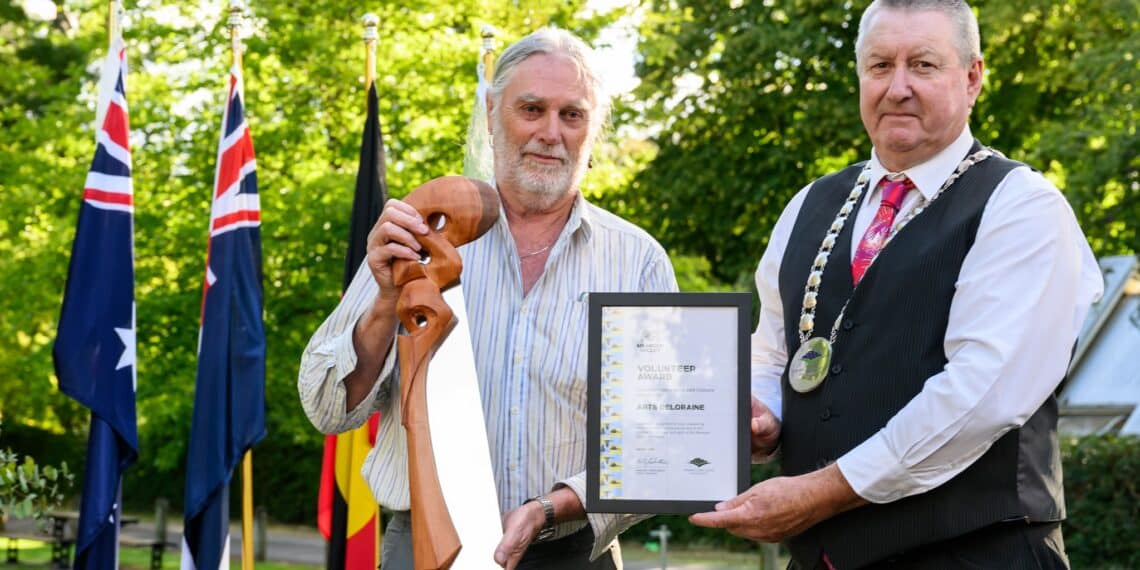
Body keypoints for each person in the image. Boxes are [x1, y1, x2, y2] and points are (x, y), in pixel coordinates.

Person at [690, 1, 1104, 568]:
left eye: (924, 65)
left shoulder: (1022, 207)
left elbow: (978, 398)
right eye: (880, 66)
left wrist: (818, 493)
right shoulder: (808, 206)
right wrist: (763, 417)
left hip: (976, 555)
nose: (898, 87)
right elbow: (775, 351)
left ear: (972, 77)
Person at [298, 27, 678, 570]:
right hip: (424, 547)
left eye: (572, 115)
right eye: (531, 109)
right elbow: (327, 406)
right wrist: (385, 300)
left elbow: (655, 443)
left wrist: (551, 508)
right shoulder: (418, 235)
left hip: (572, 553)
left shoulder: (639, 262)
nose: (551, 132)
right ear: (492, 114)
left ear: (593, 132)